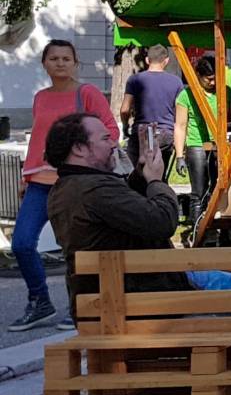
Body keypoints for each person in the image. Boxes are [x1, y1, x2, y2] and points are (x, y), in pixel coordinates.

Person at [11, 40, 119, 330]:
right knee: (21, 243)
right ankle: (40, 302)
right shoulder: (40, 98)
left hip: (73, 182)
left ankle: (81, 306)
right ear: (44, 63)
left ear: (75, 63)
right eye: (54, 58)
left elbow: (110, 130)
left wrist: (86, 158)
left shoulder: (87, 93)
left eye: (66, 58)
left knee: (76, 247)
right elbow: (37, 139)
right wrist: (25, 176)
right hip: (39, 182)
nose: (60, 63)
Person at [44, 111, 186, 322]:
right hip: (134, 307)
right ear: (79, 149)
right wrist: (156, 181)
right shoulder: (94, 190)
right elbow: (162, 221)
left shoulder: (71, 186)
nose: (113, 144)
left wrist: (141, 173)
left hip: (110, 304)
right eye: (105, 139)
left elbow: (124, 212)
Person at [172, 56, 231, 228]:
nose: (213, 83)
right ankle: (197, 227)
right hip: (196, 145)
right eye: (208, 79)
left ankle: (218, 227)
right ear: (198, 76)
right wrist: (179, 156)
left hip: (220, 145)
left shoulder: (226, 92)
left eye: (215, 78)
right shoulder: (186, 95)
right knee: (199, 191)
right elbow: (180, 125)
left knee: (219, 189)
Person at [121, 46, 183, 176]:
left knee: (135, 175)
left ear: (147, 60)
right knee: (159, 175)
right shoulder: (176, 82)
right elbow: (180, 115)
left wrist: (125, 126)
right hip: (165, 134)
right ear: (166, 61)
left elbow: (125, 109)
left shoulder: (134, 80)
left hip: (141, 132)